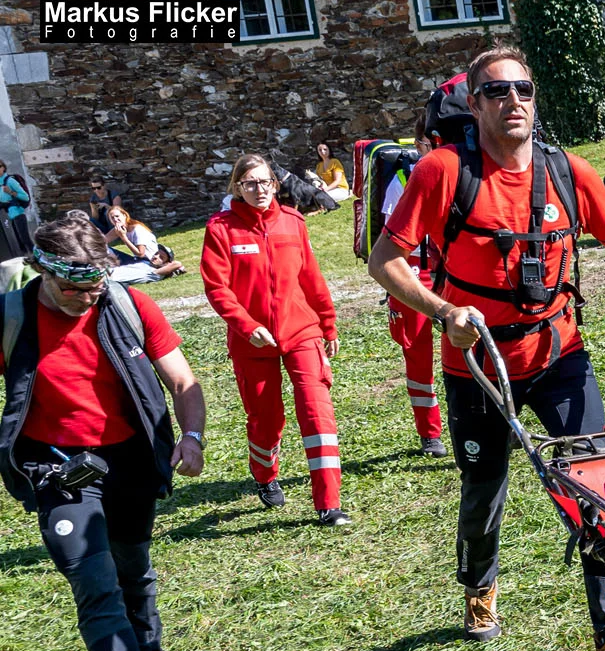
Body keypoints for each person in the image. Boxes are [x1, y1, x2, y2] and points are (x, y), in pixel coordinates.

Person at [370, 44, 605, 651]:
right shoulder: (443, 172)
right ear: (474, 104)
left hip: (559, 352)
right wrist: (444, 312)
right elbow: (385, 261)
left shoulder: (569, 172)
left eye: (523, 91)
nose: (513, 102)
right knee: (484, 487)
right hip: (475, 362)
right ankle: (479, 588)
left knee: (598, 487)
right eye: (498, 92)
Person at [0, 212, 207, 651]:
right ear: (41, 273)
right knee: (93, 578)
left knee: (132, 568)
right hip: (57, 471)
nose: (84, 299)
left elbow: (183, 379)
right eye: (72, 289)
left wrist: (192, 436)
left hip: (131, 461)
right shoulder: (11, 318)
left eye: (94, 287)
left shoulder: (129, 305)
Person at [201, 154, 349, 527]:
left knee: (317, 413)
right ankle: (265, 474)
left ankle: (329, 503)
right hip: (252, 343)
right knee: (266, 420)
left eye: (265, 182)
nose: (259, 190)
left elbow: (311, 278)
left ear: (275, 184)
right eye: (249, 183)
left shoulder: (293, 222)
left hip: (302, 332)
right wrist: (247, 326)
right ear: (236, 187)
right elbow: (217, 289)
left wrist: (328, 323)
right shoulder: (222, 229)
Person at [382, 119, 447, 457]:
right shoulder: (403, 180)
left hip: (453, 269)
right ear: (421, 143)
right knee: (419, 356)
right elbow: (391, 243)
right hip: (416, 272)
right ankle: (430, 433)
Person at [101, 207, 185, 281]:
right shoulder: (118, 229)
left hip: (149, 261)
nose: (115, 219)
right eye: (112, 218)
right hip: (138, 260)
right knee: (102, 249)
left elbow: (141, 253)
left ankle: (169, 268)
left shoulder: (137, 229)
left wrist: (123, 237)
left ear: (124, 215)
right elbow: (101, 242)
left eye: (117, 216)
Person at [0, 160, 33, 259]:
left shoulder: (10, 181)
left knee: (25, 240)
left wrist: (11, 192)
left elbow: (25, 197)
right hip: (7, 216)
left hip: (17, 213)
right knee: (17, 242)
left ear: (3, 167)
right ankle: (24, 261)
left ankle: (36, 260)